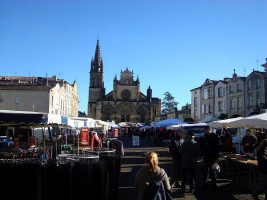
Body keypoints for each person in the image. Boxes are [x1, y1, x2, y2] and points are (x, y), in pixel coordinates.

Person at [199, 126, 220, 190]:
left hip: (212, 156)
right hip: (206, 156)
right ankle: (205, 184)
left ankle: (214, 184)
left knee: (212, 171)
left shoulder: (215, 137)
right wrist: (201, 154)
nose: (205, 131)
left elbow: (217, 148)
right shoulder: (204, 137)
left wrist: (216, 158)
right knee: (205, 171)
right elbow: (201, 146)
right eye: (204, 130)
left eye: (206, 130)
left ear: (209, 130)